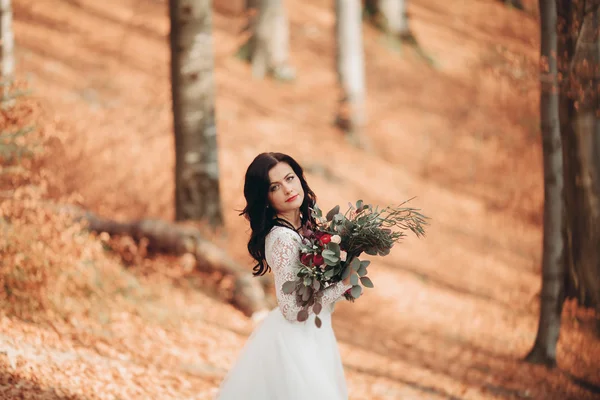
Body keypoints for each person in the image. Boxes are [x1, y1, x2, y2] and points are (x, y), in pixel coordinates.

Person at [215, 152, 352, 400]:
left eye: (290, 178)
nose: (287, 189)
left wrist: (341, 275)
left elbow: (314, 291)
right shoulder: (283, 238)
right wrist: (343, 285)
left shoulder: (305, 227)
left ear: (300, 179)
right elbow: (291, 308)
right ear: (265, 199)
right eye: (275, 187)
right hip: (293, 344)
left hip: (314, 335)